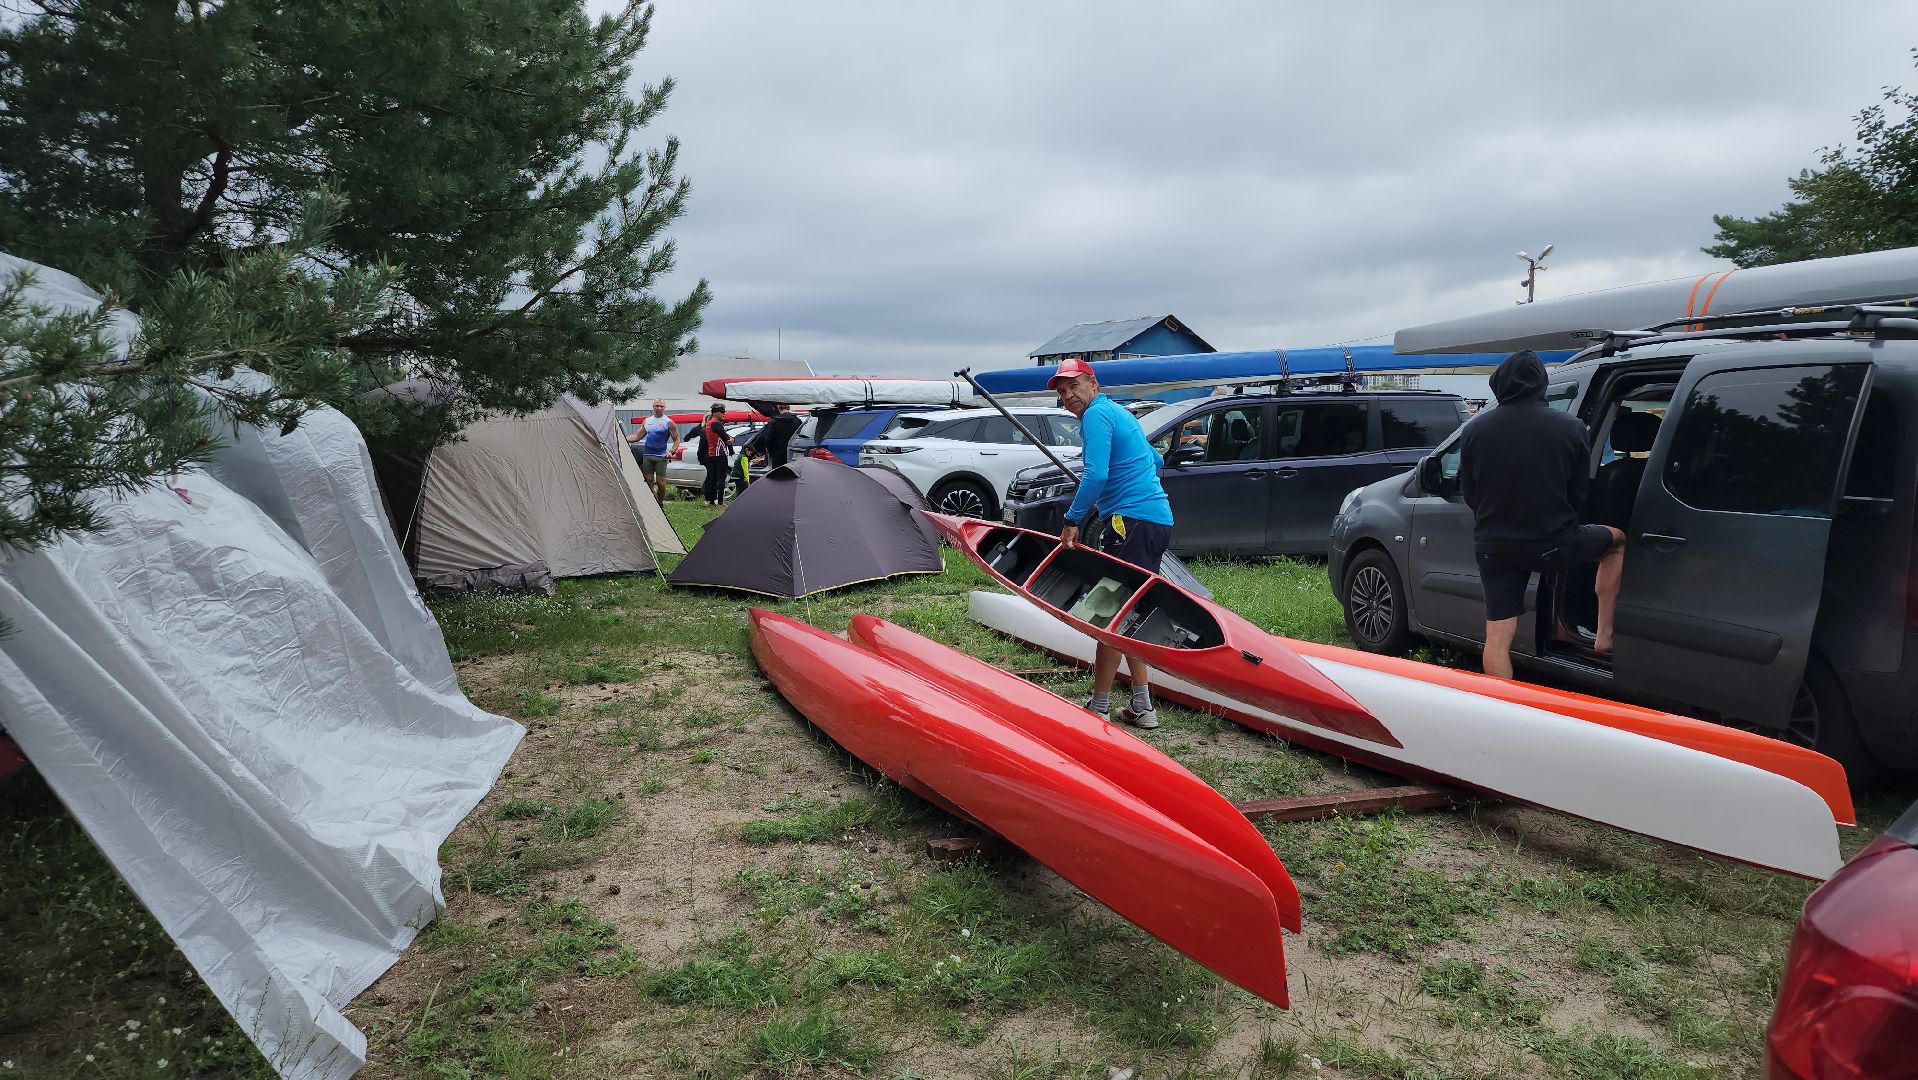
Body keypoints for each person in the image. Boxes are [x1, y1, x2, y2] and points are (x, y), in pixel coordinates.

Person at [1459, 349, 1625, 680]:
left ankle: (1501, 713)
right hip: (1553, 542)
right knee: (1617, 541)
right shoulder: (1571, 427)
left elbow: (1470, 493)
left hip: (1495, 547)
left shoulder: (1475, 429)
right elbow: (1579, 493)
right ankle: (1604, 634)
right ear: (1542, 384)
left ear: (1499, 384)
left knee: (1497, 636)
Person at [1051, 357, 1175, 729]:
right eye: (1061, 392)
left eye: (1073, 386)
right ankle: (1142, 706)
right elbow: (1154, 459)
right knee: (1131, 612)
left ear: (1092, 382)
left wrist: (1072, 519)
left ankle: (1099, 706)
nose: (1067, 396)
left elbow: (1096, 474)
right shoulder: (1119, 413)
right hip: (1155, 521)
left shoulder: (1095, 417)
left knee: (1111, 613)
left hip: (1131, 523)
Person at [626, 398, 680, 505]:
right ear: (653, 407)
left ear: (664, 408)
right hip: (648, 456)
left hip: (661, 457)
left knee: (661, 483)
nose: (659, 408)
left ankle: (660, 503)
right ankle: (652, 503)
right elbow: (637, 437)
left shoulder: (668, 422)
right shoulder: (647, 421)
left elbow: (677, 439)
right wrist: (622, 438)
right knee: (649, 480)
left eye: (661, 406)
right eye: (657, 406)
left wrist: (671, 452)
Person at [694, 403, 734, 506]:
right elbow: (727, 440)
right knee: (721, 478)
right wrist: (731, 440)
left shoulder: (708, 424)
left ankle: (711, 501)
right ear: (715, 413)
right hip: (719, 454)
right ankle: (720, 502)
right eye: (722, 412)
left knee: (712, 478)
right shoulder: (716, 424)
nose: (724, 414)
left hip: (712, 454)